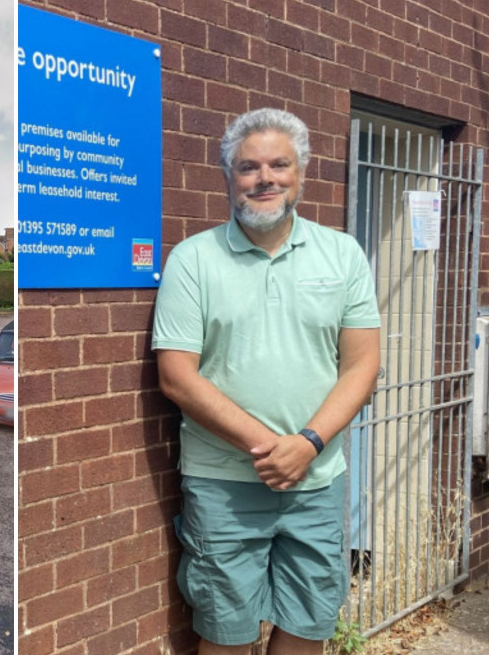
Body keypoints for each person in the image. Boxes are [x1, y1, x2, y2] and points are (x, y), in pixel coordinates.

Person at [151, 108, 381, 655]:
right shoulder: (193, 260)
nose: (265, 178)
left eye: (279, 164)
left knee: (308, 628)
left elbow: (362, 364)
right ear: (228, 177)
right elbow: (177, 377)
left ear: (301, 172)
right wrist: (269, 448)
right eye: (248, 167)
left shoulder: (342, 254)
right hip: (224, 484)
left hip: (318, 481)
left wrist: (308, 444)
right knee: (225, 633)